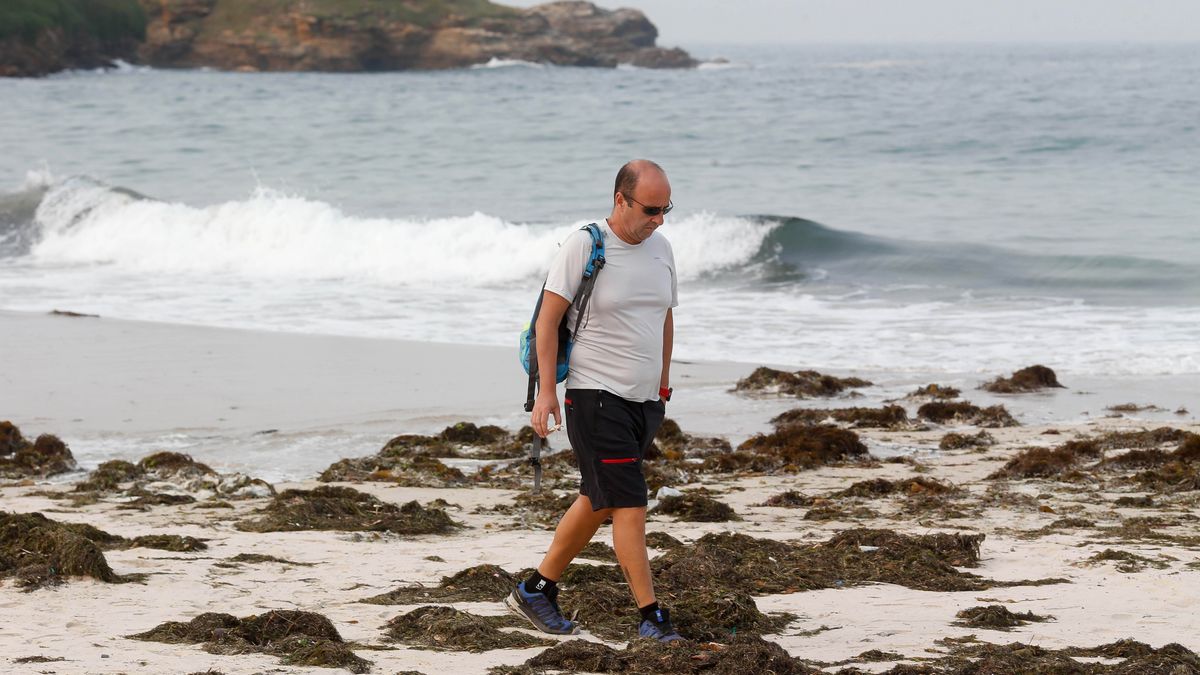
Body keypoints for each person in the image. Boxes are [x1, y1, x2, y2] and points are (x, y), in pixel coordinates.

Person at [505, 159, 681, 642]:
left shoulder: (661, 248)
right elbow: (547, 321)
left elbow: (665, 317)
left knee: (598, 499)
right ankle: (651, 618)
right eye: (650, 209)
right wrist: (546, 393)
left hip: (643, 402)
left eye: (666, 209)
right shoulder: (584, 245)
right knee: (628, 502)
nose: (659, 219)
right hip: (594, 395)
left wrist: (663, 385)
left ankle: (537, 590)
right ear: (620, 200)